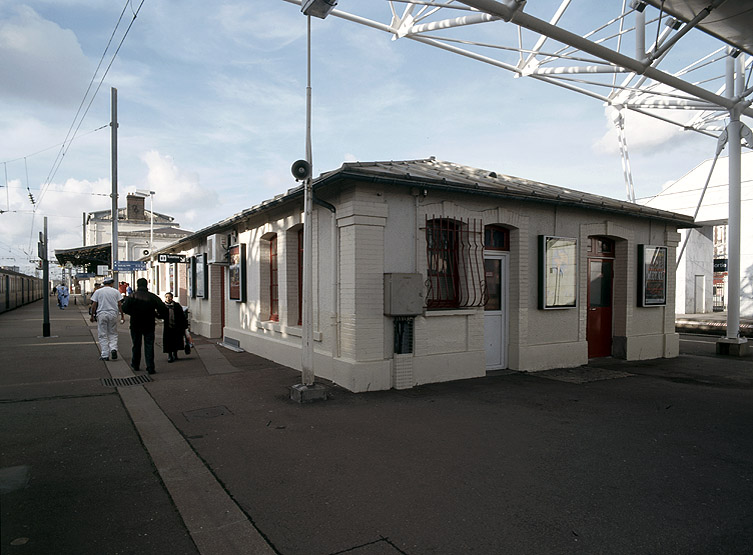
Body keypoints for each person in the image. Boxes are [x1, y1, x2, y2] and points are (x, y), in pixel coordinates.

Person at [123, 278, 167, 374]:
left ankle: (135, 364)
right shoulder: (152, 297)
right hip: (149, 323)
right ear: (146, 285)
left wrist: (133, 313)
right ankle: (150, 367)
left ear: (137, 285)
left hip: (135, 323)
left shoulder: (132, 296)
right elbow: (163, 309)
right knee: (149, 345)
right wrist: (157, 315)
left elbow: (124, 308)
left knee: (136, 344)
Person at [89, 277, 125, 360]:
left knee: (102, 334)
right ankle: (113, 349)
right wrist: (122, 315)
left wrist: (92, 315)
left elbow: (94, 305)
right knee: (113, 333)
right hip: (113, 314)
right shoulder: (116, 292)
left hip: (101, 314)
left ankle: (105, 354)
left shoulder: (98, 291)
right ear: (111, 283)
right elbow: (119, 304)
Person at [162, 292, 188, 362]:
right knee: (168, 341)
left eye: (169, 297)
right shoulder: (163, 306)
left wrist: (184, 325)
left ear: (172, 298)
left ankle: (175, 354)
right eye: (166, 297)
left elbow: (182, 316)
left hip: (177, 326)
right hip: (168, 327)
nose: (168, 298)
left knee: (176, 340)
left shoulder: (176, 306)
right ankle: (170, 355)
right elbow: (161, 315)